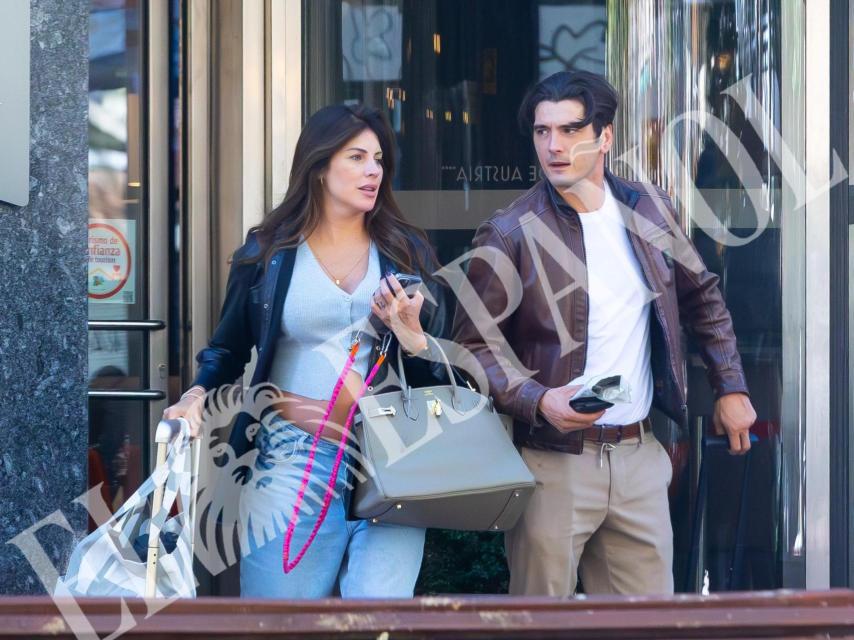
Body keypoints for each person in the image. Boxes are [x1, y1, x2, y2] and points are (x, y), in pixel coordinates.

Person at [452, 71, 757, 596]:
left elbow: (702, 296)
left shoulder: (649, 208)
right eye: (543, 132)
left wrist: (730, 386)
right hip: (553, 460)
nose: (555, 145)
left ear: (605, 136)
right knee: (540, 629)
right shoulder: (510, 231)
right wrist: (538, 400)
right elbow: (473, 348)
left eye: (570, 130)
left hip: (638, 454)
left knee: (648, 628)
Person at [162, 104, 451, 598]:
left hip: (392, 457)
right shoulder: (269, 252)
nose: (373, 171)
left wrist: (410, 331)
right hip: (293, 459)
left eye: (378, 159)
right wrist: (194, 396)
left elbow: (440, 359)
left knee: (377, 621)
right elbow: (228, 349)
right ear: (319, 167)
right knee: (282, 621)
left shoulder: (406, 250)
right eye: (356, 157)